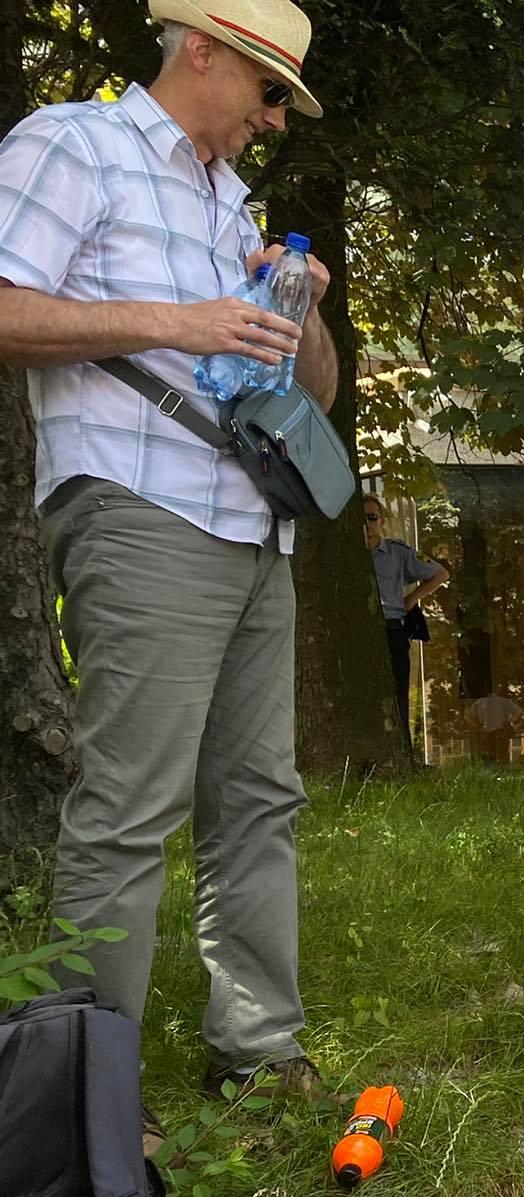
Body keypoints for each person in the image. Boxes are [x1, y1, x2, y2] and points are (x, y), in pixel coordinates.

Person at [0, 0, 336, 1101]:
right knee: (131, 809)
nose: (276, 121)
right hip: (139, 507)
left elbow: (313, 396)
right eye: (270, 91)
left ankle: (259, 1053)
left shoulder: (236, 204)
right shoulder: (70, 142)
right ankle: (84, 1102)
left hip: (253, 523)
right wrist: (175, 321)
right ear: (203, 52)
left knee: (259, 799)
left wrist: (310, 313)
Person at [364, 495, 447, 747]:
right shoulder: (342, 557)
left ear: (382, 521)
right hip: (357, 632)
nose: (367, 524)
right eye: (361, 518)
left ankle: (402, 752)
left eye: (372, 517)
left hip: (391, 630)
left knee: (398, 694)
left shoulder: (397, 552)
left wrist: (411, 599)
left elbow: (440, 573)